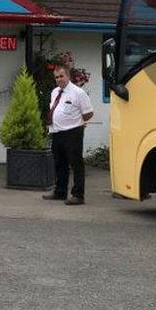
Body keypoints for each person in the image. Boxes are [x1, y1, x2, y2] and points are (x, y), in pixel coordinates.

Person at [42, 64, 94, 205]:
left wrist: (75, 123)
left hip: (73, 132)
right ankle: (60, 191)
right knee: (60, 164)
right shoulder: (55, 92)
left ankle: (78, 195)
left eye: (61, 76)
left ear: (68, 76)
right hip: (57, 132)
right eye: (56, 77)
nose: (59, 79)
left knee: (76, 164)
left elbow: (88, 113)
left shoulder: (78, 93)